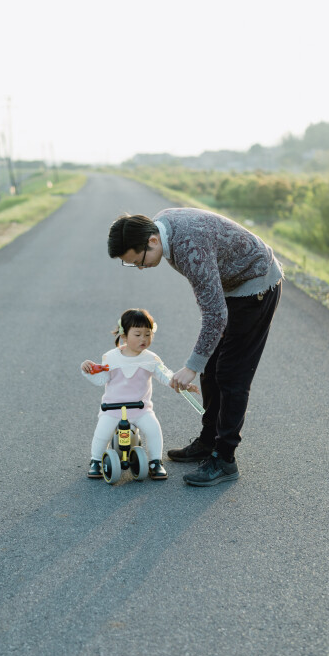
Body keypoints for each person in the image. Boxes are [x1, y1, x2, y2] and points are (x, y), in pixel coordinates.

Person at [107, 208, 283, 487]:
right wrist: (200, 363)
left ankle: (224, 458)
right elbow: (211, 304)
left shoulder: (189, 249)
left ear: (152, 241)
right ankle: (208, 441)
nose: (140, 268)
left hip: (256, 285)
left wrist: (190, 367)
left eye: (138, 261)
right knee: (210, 368)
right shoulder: (163, 227)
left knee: (230, 373)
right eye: (132, 264)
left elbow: (215, 314)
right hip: (232, 286)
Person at [80, 308, 196, 480]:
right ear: (124, 336)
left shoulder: (151, 359)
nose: (144, 339)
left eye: (148, 334)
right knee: (102, 432)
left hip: (140, 409)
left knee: (154, 429)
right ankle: (96, 460)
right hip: (112, 409)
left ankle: (155, 462)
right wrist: (88, 370)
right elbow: (100, 379)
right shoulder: (111, 357)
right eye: (138, 334)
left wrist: (181, 383)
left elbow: (166, 375)